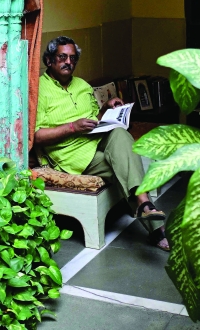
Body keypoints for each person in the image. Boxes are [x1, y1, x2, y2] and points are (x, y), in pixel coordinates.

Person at [34, 36, 168, 247]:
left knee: (120, 134)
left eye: (73, 58)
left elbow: (94, 118)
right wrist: (72, 127)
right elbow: (37, 135)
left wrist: (106, 108)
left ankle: (143, 205)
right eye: (62, 57)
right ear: (49, 60)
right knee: (123, 165)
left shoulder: (82, 85)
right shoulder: (39, 90)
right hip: (72, 155)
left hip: (95, 138)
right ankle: (155, 226)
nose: (68, 62)